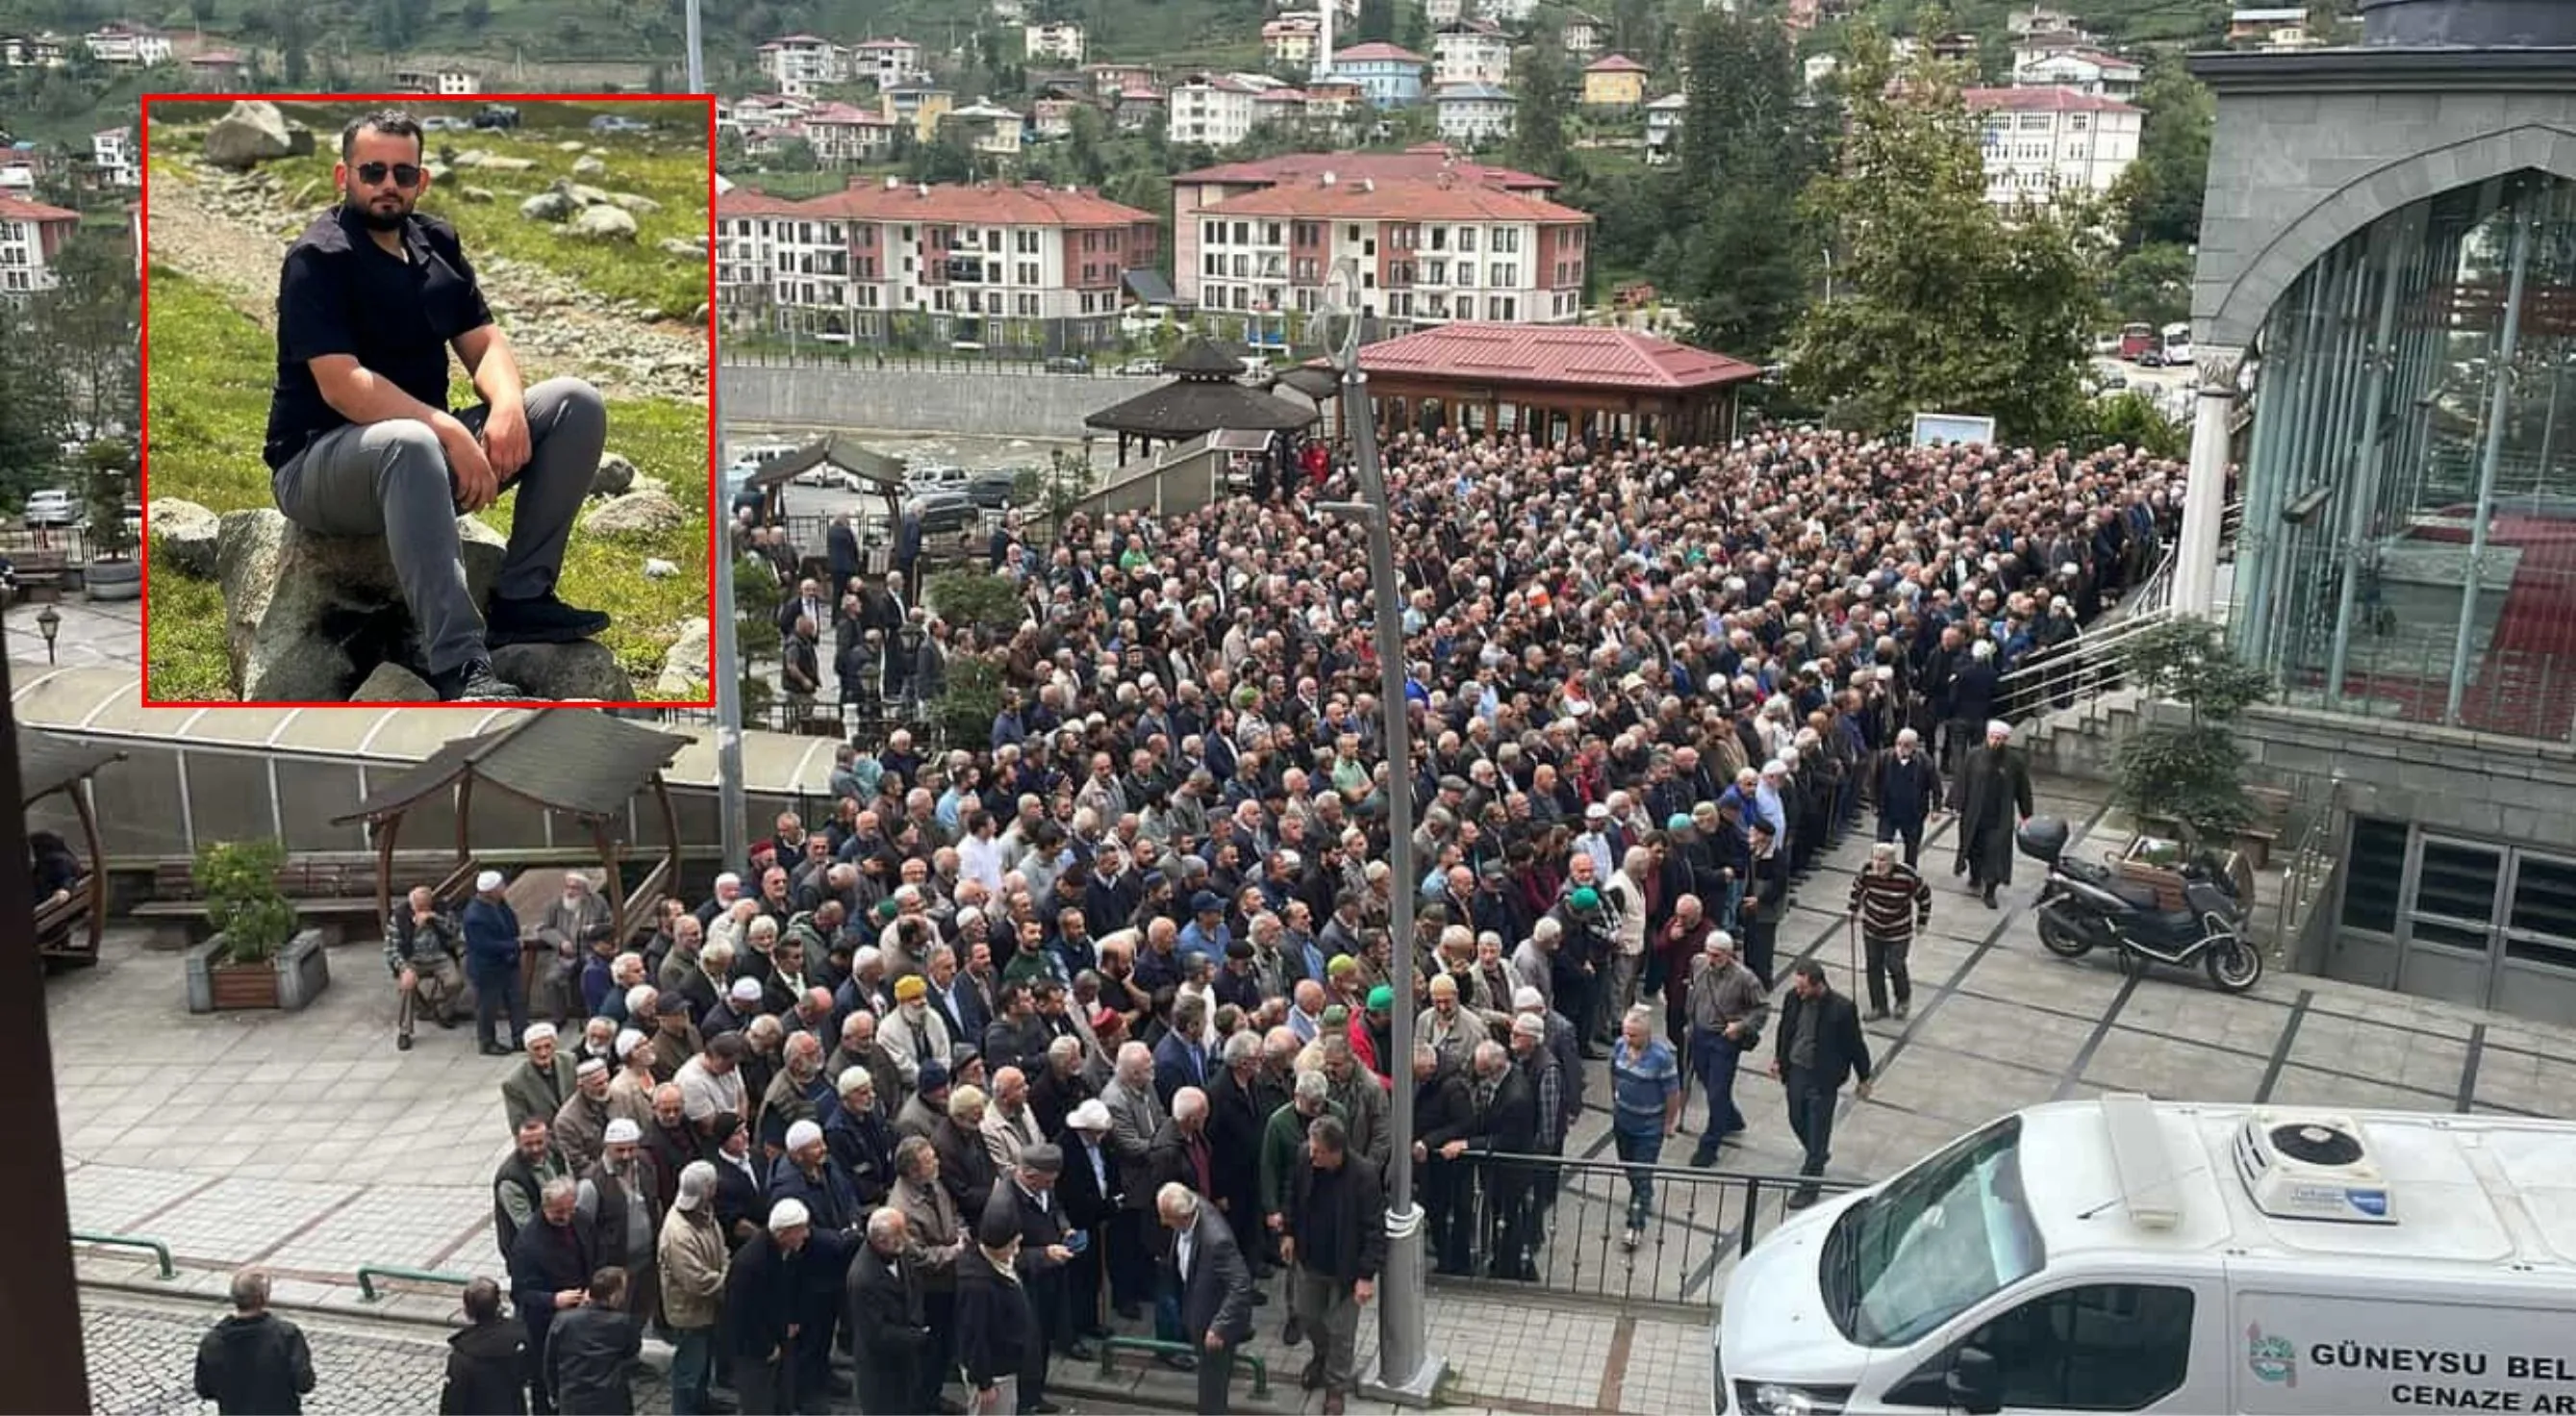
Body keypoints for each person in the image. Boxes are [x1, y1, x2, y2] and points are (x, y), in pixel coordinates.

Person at [263, 108, 610, 701]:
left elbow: (485, 342)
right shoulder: (317, 259)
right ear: (341, 176)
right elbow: (342, 384)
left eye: (402, 172)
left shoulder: (436, 242)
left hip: (418, 454)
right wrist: (448, 429)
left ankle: (524, 598)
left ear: (421, 181)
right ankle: (460, 666)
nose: (387, 184)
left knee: (574, 402)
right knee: (411, 440)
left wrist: (504, 405)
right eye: (372, 171)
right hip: (319, 463)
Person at [1281, 1114, 1384, 1416]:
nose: (1311, 1155)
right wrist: (1288, 1231)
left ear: (1336, 1151)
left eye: (1318, 1152)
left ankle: (1335, 1388)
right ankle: (1320, 1356)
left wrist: (1366, 1275)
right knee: (1307, 1315)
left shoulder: (1364, 1175)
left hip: (1345, 1268)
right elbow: (1293, 1192)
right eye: (1311, 1150)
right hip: (1310, 1259)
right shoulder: (1304, 1157)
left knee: (1342, 1331)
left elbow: (1375, 1229)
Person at [1767, 960, 1874, 1208]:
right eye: (1798, 987)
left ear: (1819, 985)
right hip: (1796, 1070)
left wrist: (1864, 1077)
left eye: (1804, 988)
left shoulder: (1842, 1009)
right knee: (1796, 1118)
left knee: (1818, 1130)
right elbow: (1785, 1030)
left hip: (1823, 1077)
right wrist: (1779, 1059)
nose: (1799, 992)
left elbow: (1855, 1045)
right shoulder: (1792, 999)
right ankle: (1818, 1155)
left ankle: (1809, 1184)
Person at [1162, 1180, 1254, 1415]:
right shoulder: (1190, 1210)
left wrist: (1220, 1326)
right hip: (1198, 1311)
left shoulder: (1216, 1240)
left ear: (1183, 1217)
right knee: (1208, 1381)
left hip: (1214, 1326)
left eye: (1167, 1217)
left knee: (1212, 1389)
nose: (1163, 1223)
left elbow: (1241, 1284)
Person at [509, 1177, 596, 1416]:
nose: (567, 1217)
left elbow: (596, 1255)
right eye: (559, 1212)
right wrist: (553, 1300)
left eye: (570, 1209)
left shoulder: (581, 1220)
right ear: (545, 1207)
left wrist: (592, 1288)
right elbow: (520, 1293)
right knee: (545, 1382)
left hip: (581, 1315)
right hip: (546, 1327)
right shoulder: (528, 1243)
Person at [1683, 932, 1768, 1168]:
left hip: (1724, 1039)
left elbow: (1762, 1008)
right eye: (1709, 953)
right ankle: (1730, 1118)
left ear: (1729, 955)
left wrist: (1741, 1026)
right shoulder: (1697, 963)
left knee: (1717, 1092)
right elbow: (1693, 989)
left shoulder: (1745, 979)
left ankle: (1709, 1146)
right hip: (1700, 1034)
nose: (1711, 959)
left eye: (1717, 955)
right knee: (1707, 1081)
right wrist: (1689, 1019)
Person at [846, 1206, 935, 1416]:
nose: (905, 1238)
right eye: (899, 1234)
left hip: (905, 1359)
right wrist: (917, 1336)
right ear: (880, 1240)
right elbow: (876, 1333)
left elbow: (913, 1287)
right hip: (881, 1369)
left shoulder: (897, 1251)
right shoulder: (863, 1278)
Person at [1606, 1004, 1681, 1249]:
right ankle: (1645, 1193)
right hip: (1623, 1120)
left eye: (1633, 1035)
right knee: (1629, 1167)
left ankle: (1634, 1225)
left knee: (1640, 1172)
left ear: (1647, 1034)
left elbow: (1672, 1093)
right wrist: (1615, 1098)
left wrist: (1669, 1122)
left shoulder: (1661, 1058)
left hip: (1649, 1127)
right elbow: (1613, 1073)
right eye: (1626, 1033)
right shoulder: (1619, 1046)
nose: (1628, 1038)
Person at [657, 1161, 728, 1416]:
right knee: (688, 1370)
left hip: (706, 1309)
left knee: (702, 1365)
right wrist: (730, 1282)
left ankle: (701, 1403)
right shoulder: (678, 1233)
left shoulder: (705, 1213)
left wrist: (725, 1268)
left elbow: (721, 1248)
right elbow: (696, 1280)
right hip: (689, 1312)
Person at [954, 1204, 1041, 1416]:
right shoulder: (977, 1285)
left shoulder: (996, 1260)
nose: (1016, 1251)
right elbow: (973, 1334)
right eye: (1013, 1246)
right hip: (994, 1372)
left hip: (1007, 1365)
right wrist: (984, 1382)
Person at [193, 1268, 316, 1415]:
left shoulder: (212, 1341)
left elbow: (204, 1389)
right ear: (265, 1298)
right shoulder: (286, 1335)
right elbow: (304, 1383)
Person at [1953, 719, 2034, 909]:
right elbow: (1962, 780)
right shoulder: (1973, 755)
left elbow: (2023, 789)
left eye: (2000, 739)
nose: (1996, 742)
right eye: (1993, 737)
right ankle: (1975, 876)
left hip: (1999, 818)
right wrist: (1957, 804)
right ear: (1987, 737)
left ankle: (1990, 890)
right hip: (1974, 814)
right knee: (1973, 848)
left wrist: (2026, 815)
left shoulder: (2014, 762)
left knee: (1995, 855)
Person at [1848, 841, 1932, 1021]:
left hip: (1898, 930)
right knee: (1873, 966)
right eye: (1875, 859)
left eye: (1883, 860)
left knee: (1895, 964)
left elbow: (1924, 896)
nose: (1878, 864)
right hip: (1872, 927)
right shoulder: (1867, 871)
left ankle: (1903, 999)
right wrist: (1853, 909)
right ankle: (1879, 1006)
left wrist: (1922, 921)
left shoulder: (1907, 876)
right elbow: (1857, 888)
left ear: (1893, 861)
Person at [544, 1266, 641, 1415]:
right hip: (610, 1399)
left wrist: (553, 1391)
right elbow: (631, 1352)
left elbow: (550, 1359)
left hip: (573, 1398)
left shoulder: (564, 1320)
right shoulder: (623, 1323)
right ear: (614, 1296)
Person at [387, 883, 467, 1050]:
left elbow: (457, 933)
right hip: (412, 959)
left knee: (455, 982)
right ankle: (405, 1031)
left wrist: (435, 918)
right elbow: (391, 948)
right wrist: (404, 968)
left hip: (440, 957)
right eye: (419, 906)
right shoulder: (399, 917)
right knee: (407, 986)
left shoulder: (441, 910)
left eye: (426, 905)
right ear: (412, 904)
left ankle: (442, 1011)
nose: (422, 909)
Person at [441, 1276, 527, 1416]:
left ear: (468, 1311)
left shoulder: (462, 1357)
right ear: (498, 1304)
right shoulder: (520, 1336)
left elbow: (453, 1402)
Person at [469, 872, 532, 1055]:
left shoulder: (500, 904)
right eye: (500, 886)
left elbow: (510, 921)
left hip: (508, 963)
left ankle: (520, 1037)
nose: (504, 887)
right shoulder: (475, 916)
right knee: (487, 1006)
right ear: (490, 891)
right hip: (488, 968)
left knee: (517, 1001)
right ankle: (487, 1042)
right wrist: (514, 944)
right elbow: (483, 945)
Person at [1872, 728, 1941, 870]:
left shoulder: (1925, 761)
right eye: (1899, 743)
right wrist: (1874, 802)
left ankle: (1909, 876)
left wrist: (1936, 808)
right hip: (1888, 811)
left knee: (1912, 847)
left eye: (1907, 745)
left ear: (1915, 746)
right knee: (1883, 845)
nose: (1902, 748)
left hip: (1913, 813)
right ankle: (1880, 873)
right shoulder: (1884, 757)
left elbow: (1935, 785)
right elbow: (1874, 780)